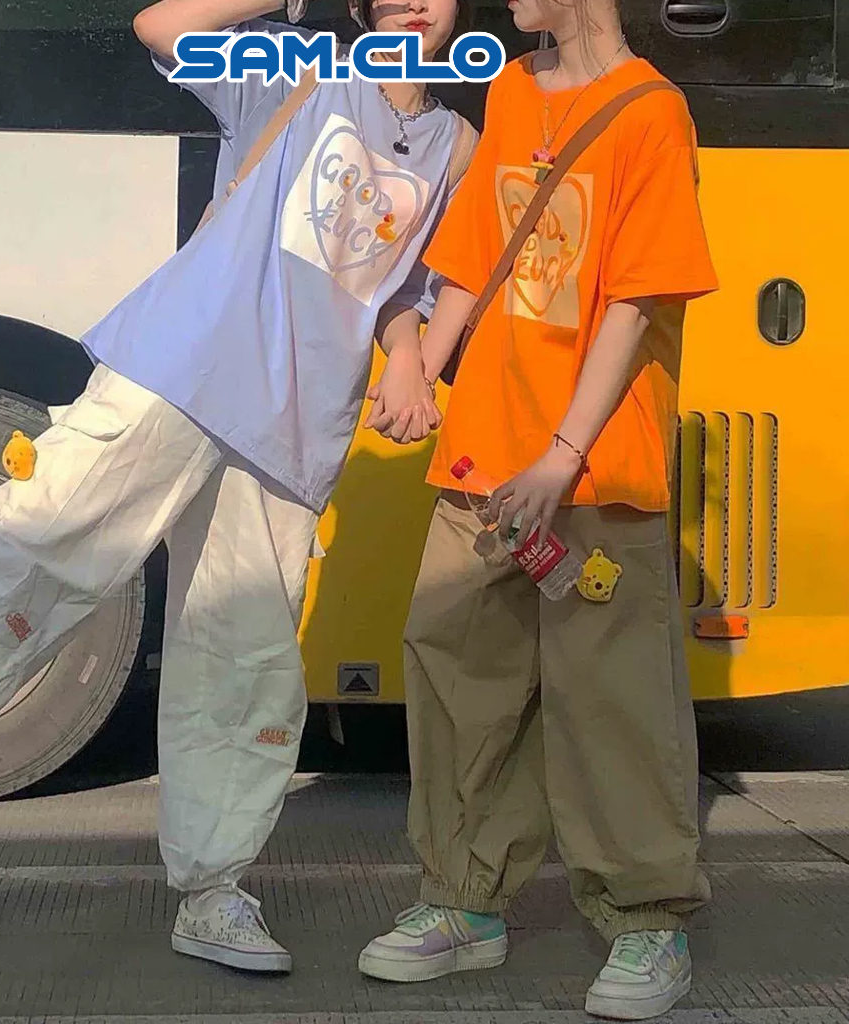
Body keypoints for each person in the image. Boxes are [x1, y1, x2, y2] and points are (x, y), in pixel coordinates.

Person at [0, 0, 476, 976]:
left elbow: (400, 285)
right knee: (38, 540)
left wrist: (412, 361)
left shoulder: (454, 146)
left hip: (294, 426)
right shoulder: (296, 69)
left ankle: (214, 891)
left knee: (243, 653)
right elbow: (161, 25)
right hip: (180, 367)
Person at [358, 0, 718, 1018]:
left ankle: (646, 920)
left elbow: (636, 301)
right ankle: (463, 902)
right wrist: (420, 368)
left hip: (591, 470)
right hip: (484, 454)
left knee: (610, 697)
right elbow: (478, 249)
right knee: (457, 677)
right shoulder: (514, 87)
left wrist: (564, 455)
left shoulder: (652, 112)